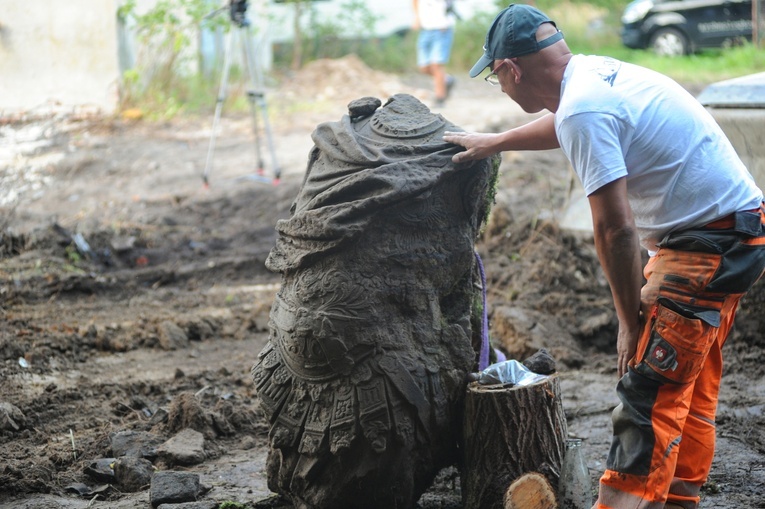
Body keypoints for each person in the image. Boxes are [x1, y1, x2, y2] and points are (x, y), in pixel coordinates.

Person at [443, 4, 765, 509]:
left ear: (512, 69)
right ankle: (679, 498)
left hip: (706, 246)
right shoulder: (591, 77)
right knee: (688, 381)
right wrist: (496, 142)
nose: (500, 87)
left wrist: (629, 319)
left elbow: (615, 229)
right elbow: (568, 126)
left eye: (495, 78)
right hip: (736, 233)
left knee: (647, 392)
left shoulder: (583, 108)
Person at [412, 0, 457, 106]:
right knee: (424, 67)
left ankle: (440, 98)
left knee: (436, 65)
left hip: (442, 29)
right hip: (425, 29)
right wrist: (417, 17)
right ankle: (446, 79)